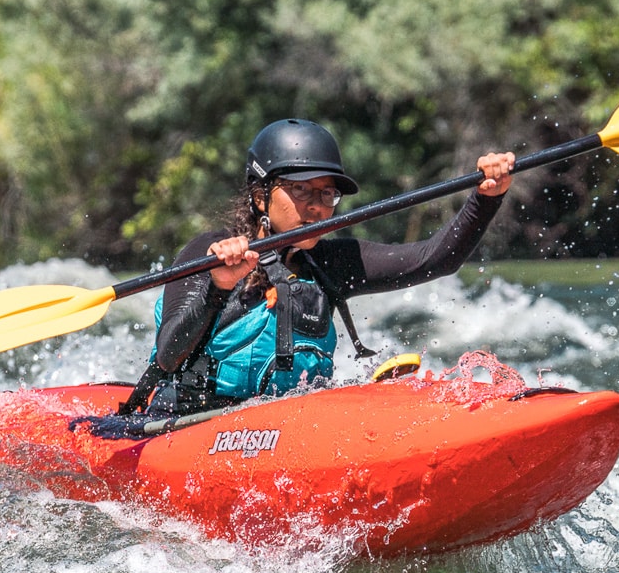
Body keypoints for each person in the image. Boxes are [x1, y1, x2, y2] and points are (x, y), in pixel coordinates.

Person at [120, 119, 515, 415]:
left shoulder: (330, 263)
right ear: (260, 196)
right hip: (192, 425)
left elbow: (434, 260)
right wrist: (218, 287)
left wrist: (486, 199)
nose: (317, 206)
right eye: (301, 190)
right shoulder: (208, 253)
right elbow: (168, 357)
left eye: (327, 194)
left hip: (289, 427)